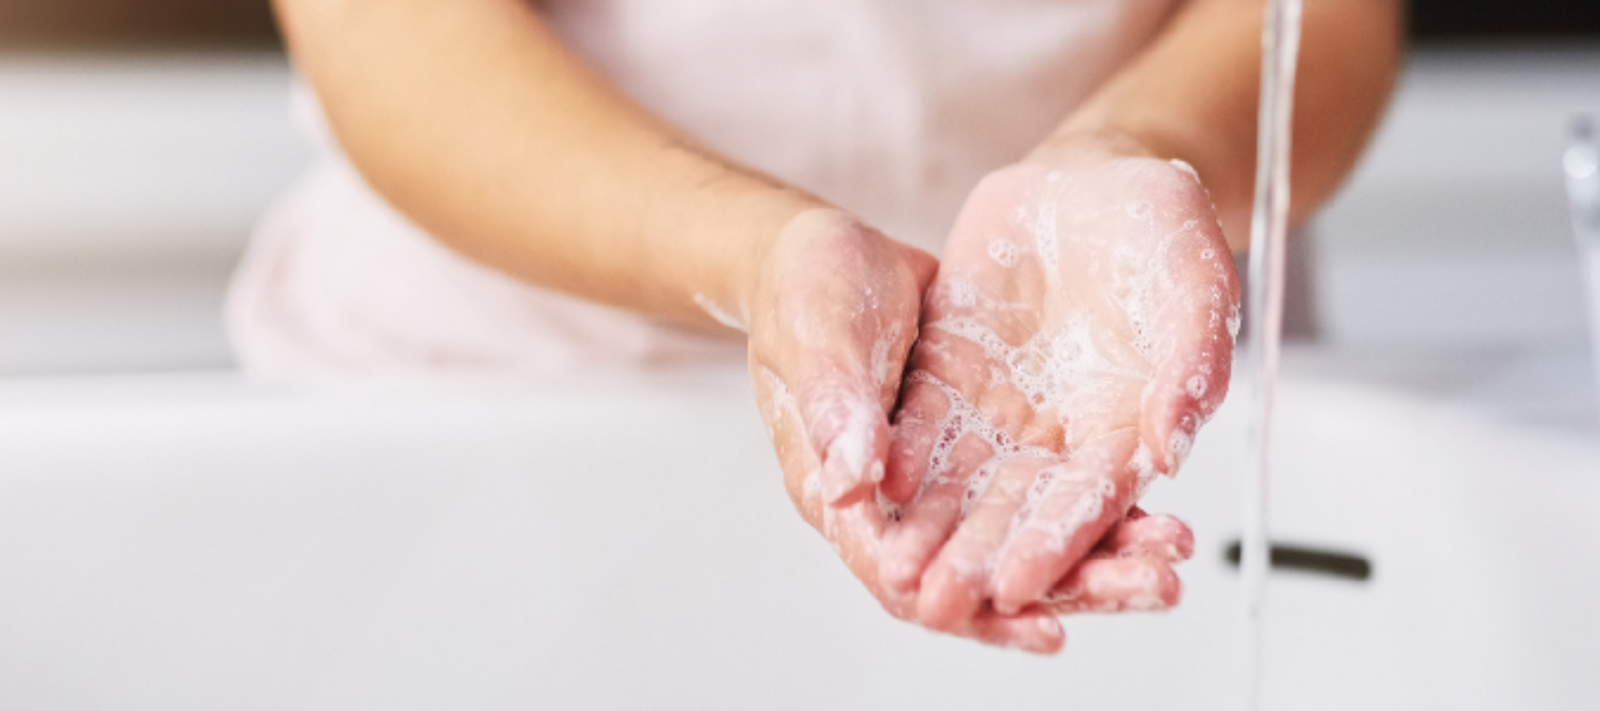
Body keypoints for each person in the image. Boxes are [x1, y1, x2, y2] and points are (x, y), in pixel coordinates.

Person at [233, 0, 1401, 654]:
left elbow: (1321, 17)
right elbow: (388, 36)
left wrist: (1131, 149)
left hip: (1109, 389)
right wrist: (753, 249)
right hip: (497, 394)